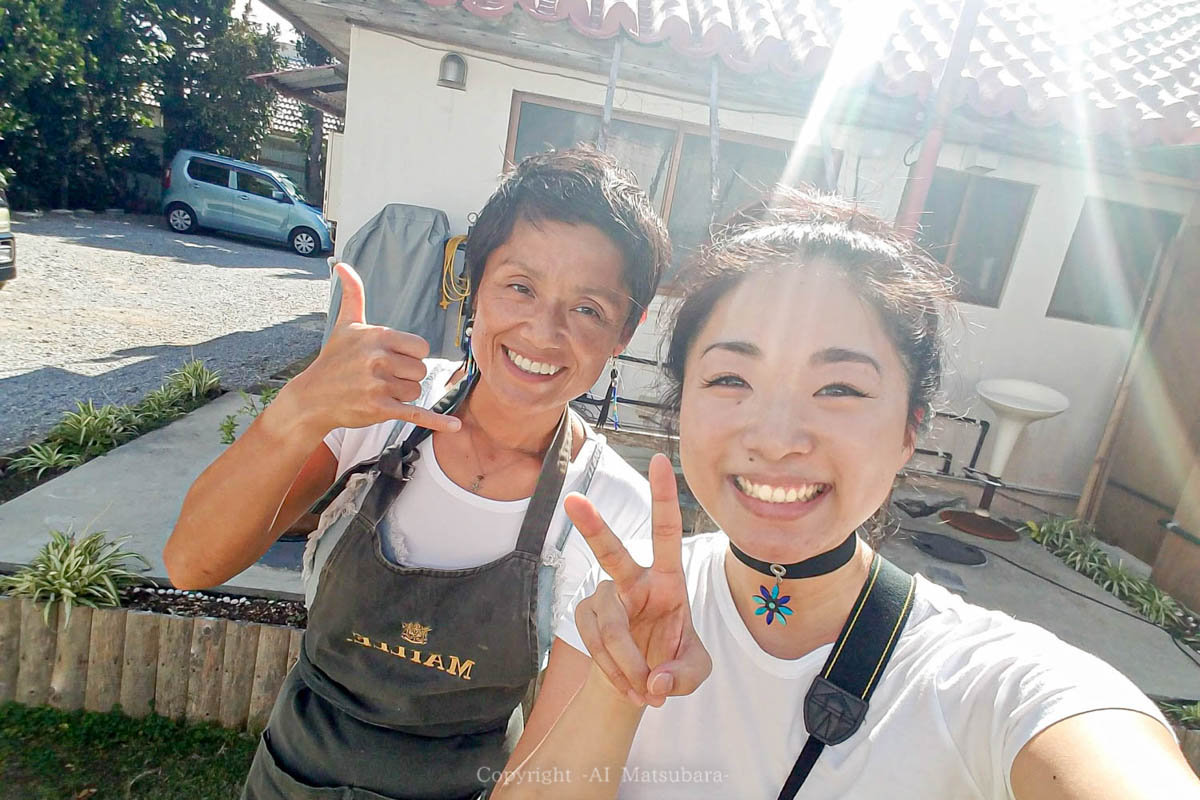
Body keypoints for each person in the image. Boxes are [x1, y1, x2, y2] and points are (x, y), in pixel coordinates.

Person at [494, 189, 1200, 799]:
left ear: (910, 430)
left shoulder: (996, 684)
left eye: (839, 388)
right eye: (731, 379)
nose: (776, 438)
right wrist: (621, 687)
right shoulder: (624, 603)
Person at [162, 147, 672, 800]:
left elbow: (545, 774)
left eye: (588, 309)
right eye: (520, 286)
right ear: (475, 284)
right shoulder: (379, 404)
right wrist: (298, 411)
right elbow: (192, 564)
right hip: (289, 779)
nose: (543, 332)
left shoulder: (608, 511)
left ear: (625, 332)